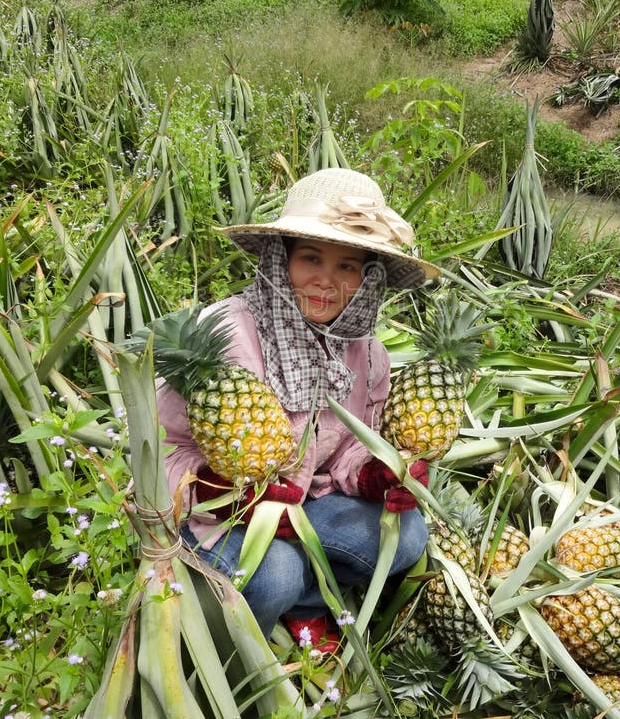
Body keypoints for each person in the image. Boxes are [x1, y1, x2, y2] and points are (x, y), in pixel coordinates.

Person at [158, 168, 442, 652]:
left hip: (302, 505)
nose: (326, 282)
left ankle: (306, 604)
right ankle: (217, 655)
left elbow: (351, 444)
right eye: (311, 257)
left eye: (347, 267)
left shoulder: (367, 352)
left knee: (407, 537)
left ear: (367, 277)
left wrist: (376, 473)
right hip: (211, 516)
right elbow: (159, 446)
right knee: (275, 576)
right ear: (281, 258)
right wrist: (225, 492)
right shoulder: (224, 334)